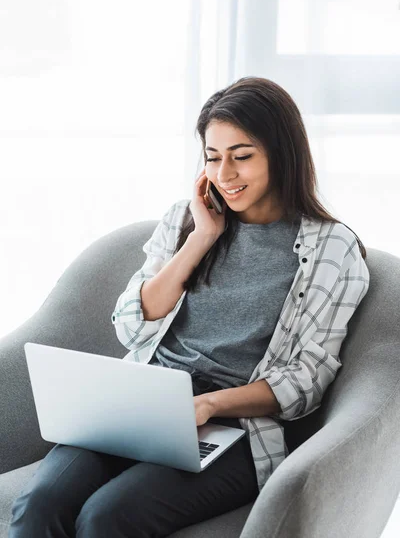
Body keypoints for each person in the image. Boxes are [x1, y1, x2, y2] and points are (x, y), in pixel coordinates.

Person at [9, 76, 370, 537]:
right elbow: (131, 327)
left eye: (242, 156)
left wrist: (204, 405)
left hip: (237, 426)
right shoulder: (187, 218)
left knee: (108, 516)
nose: (225, 174)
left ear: (281, 154)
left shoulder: (332, 249)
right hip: (142, 401)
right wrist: (201, 237)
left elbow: (306, 382)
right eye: (213, 158)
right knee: (40, 505)